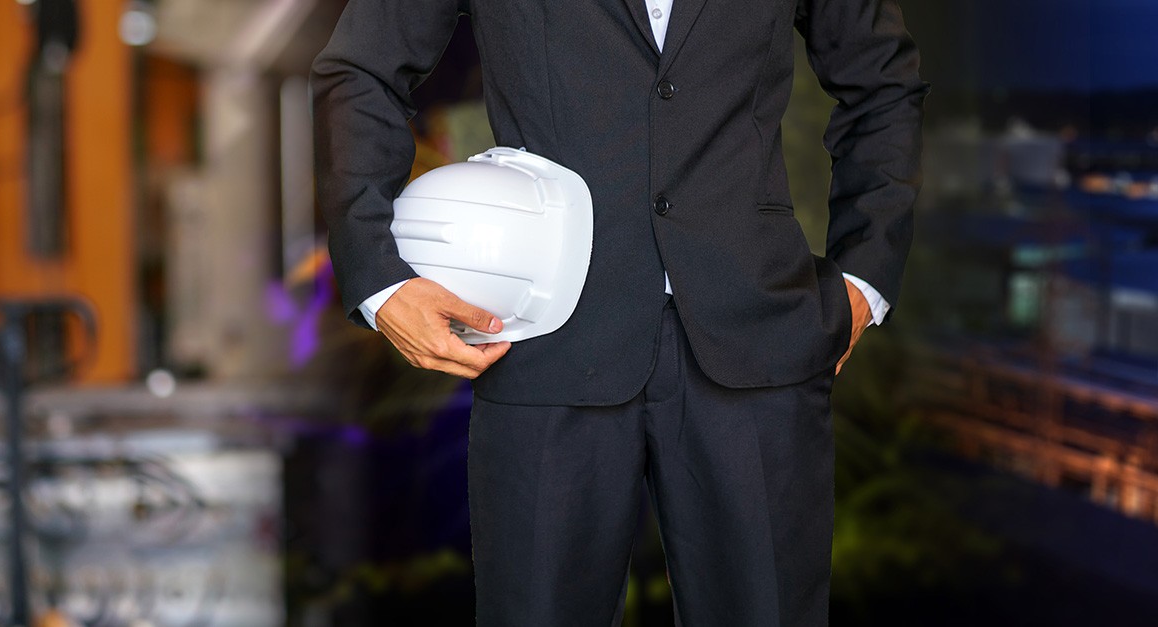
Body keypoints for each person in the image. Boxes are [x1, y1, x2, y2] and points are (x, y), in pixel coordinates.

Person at [311, 0, 929, 624]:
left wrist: (865, 275)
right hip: (543, 338)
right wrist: (381, 280)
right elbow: (361, 68)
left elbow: (883, 79)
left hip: (760, 333)